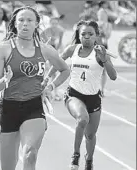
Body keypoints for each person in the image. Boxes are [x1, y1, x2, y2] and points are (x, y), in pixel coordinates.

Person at [0, 6, 70, 170]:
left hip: (33, 107)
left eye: (29, 20)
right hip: (8, 108)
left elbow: (65, 70)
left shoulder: (45, 49)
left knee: (30, 153)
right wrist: (5, 80)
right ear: (14, 24)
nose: (25, 24)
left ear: (36, 24)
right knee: (8, 165)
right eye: (21, 20)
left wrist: (51, 86)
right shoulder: (3, 48)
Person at [47, 20, 117, 170]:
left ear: (96, 36)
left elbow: (113, 76)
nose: (86, 37)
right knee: (82, 118)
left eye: (90, 34)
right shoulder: (72, 49)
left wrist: (104, 59)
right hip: (73, 95)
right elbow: (57, 63)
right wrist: (47, 78)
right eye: (83, 34)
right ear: (78, 36)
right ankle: (75, 155)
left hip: (93, 99)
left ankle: (89, 159)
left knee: (90, 136)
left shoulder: (101, 53)